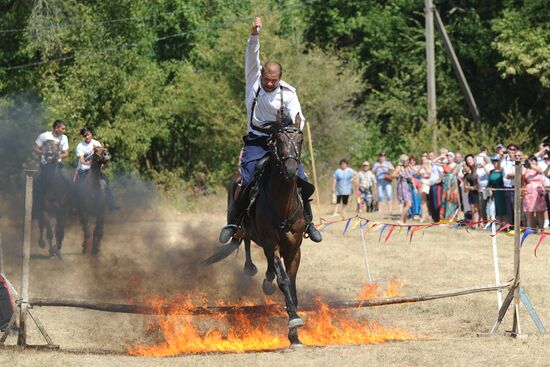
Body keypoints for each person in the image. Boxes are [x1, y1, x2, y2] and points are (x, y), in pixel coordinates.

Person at [219, 17, 321, 243]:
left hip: (281, 140)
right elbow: (251, 57)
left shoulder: (289, 93)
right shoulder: (253, 82)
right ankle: (234, 222)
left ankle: (309, 222)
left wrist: (287, 135)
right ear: (261, 75)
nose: (269, 84)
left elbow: (299, 119)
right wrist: (254, 35)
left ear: (280, 78)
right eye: (266, 79)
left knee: (300, 177)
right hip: (256, 140)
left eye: (273, 80)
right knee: (244, 180)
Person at [75, 127, 118, 211]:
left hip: (94, 170)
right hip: (83, 169)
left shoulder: (96, 143)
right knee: (78, 185)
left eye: (88, 134)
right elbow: (82, 160)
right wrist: (89, 163)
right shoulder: (80, 146)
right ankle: (75, 206)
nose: (87, 137)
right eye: (85, 135)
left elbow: (101, 156)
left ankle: (111, 205)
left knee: (105, 182)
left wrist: (101, 164)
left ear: (91, 134)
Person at [522, 155, 547, 230]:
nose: (532, 162)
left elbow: (540, 170)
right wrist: (526, 166)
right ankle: (533, 229)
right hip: (529, 193)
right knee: (530, 212)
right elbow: (522, 175)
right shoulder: (526, 170)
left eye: (534, 160)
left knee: (540, 212)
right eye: (531, 160)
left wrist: (531, 165)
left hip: (539, 193)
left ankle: (541, 228)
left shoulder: (538, 170)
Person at [393, 155, 414, 225]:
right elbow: (392, 175)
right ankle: (401, 220)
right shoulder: (399, 167)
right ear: (402, 161)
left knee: (406, 204)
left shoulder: (409, 167)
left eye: (408, 160)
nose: (407, 162)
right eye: (405, 161)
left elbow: (413, 175)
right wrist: (399, 175)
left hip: (408, 186)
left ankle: (404, 221)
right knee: (409, 204)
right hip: (402, 187)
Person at [487, 156, 506, 223]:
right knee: (497, 208)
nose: (495, 163)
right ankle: (500, 223)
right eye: (493, 162)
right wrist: (490, 191)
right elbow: (489, 183)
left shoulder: (503, 171)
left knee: (504, 208)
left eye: (496, 161)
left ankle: (506, 224)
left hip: (503, 192)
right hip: (495, 192)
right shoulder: (491, 172)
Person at [463, 154, 480, 228]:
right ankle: (474, 224)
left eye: (470, 159)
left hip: (478, 191)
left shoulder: (477, 168)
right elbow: (465, 185)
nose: (469, 161)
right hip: (471, 192)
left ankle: (479, 223)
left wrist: (472, 187)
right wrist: (470, 188)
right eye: (467, 160)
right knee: (473, 209)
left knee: (478, 209)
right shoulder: (467, 171)